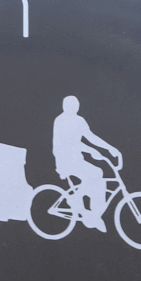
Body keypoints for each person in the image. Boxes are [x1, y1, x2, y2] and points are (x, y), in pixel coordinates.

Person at [51, 96, 121, 232]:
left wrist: (109, 148)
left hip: (77, 160)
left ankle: (94, 215)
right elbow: (69, 143)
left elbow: (91, 137)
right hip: (64, 160)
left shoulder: (79, 120)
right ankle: (74, 198)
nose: (73, 108)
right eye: (70, 105)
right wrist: (91, 150)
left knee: (100, 181)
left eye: (75, 105)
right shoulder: (61, 120)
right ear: (65, 106)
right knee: (95, 173)